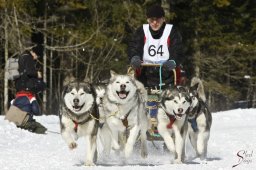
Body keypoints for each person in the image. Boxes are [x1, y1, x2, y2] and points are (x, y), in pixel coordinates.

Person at [128, 4, 185, 88]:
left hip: (167, 74)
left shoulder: (171, 31)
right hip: (145, 74)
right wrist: (135, 57)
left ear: (163, 19)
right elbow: (134, 46)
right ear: (147, 20)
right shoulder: (142, 31)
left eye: (158, 20)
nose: (155, 23)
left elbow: (177, 49)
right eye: (152, 20)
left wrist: (173, 61)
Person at [13, 44, 47, 134]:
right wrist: (37, 74)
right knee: (43, 85)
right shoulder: (28, 57)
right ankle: (27, 123)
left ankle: (22, 120)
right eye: (37, 55)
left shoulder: (21, 57)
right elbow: (30, 72)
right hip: (26, 87)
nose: (36, 58)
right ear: (33, 52)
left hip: (20, 87)